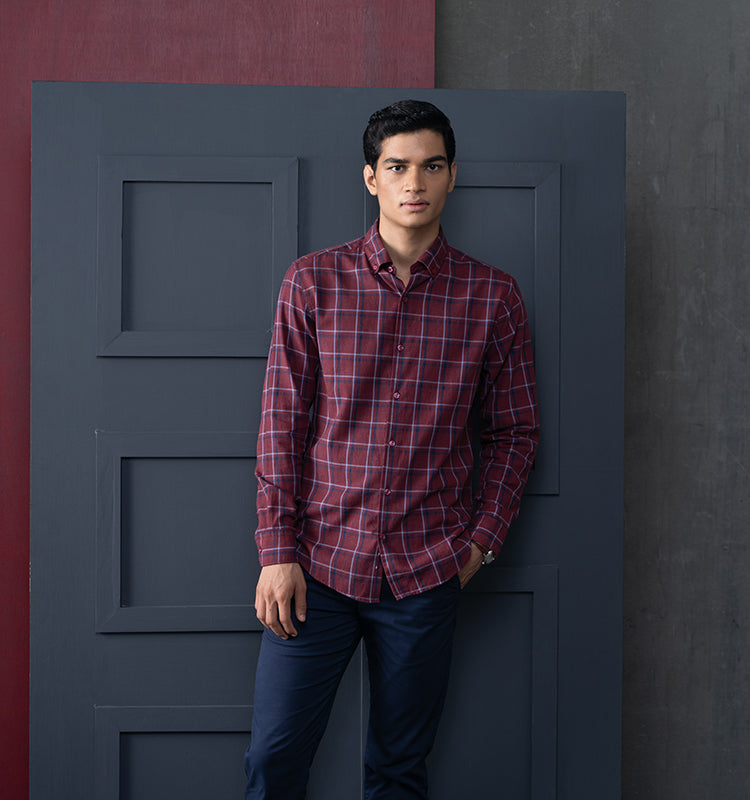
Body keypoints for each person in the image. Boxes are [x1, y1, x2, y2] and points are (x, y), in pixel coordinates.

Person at [244, 99, 539, 799]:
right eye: (398, 166)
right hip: (315, 568)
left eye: (431, 166)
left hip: (426, 572)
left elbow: (516, 431)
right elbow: (282, 423)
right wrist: (276, 553)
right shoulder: (312, 282)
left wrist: (481, 542)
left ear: (452, 176)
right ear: (371, 177)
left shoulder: (493, 297)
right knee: (274, 757)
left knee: (399, 771)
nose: (415, 183)